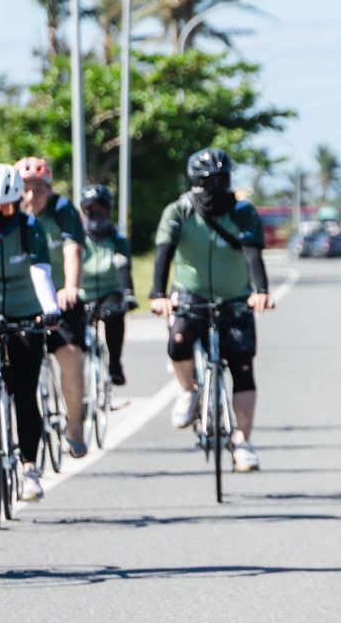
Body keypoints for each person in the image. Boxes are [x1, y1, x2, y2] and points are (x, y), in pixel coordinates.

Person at [151, 148, 274, 471]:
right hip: (190, 294)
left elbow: (252, 253)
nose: (216, 187)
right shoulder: (179, 211)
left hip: (235, 297)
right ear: (196, 182)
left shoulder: (243, 212)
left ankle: (242, 443)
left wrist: (261, 291)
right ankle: (188, 390)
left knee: (243, 367)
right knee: (178, 340)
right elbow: (164, 253)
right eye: (209, 181)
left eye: (222, 180)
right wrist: (158, 294)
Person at [0, 162, 61, 503]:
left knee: (25, 392)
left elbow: (41, 271)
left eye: (6, 208)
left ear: (17, 202)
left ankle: (29, 467)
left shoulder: (30, 227)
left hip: (27, 313)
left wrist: (49, 308)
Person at [17, 156, 90, 457]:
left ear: (49, 189)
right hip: (22, 302)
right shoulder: (8, 214)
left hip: (60, 299)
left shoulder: (62, 211)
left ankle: (74, 425)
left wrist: (70, 287)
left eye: (38, 189)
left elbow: (73, 250)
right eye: (25, 189)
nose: (31, 196)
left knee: (70, 355)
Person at [69, 183, 136, 387]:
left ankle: (115, 363)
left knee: (114, 314)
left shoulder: (117, 238)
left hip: (109, 291)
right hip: (81, 292)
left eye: (101, 209)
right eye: (90, 209)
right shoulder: (74, 237)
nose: (95, 214)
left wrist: (129, 293)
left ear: (108, 211)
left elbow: (123, 266)